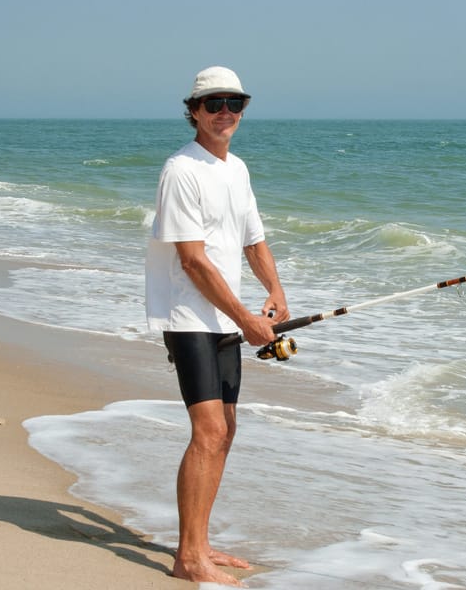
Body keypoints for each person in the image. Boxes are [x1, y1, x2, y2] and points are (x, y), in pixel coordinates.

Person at [145, 65, 289, 586]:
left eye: (235, 103)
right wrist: (245, 317)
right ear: (194, 111)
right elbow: (191, 260)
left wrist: (275, 291)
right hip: (189, 318)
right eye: (213, 103)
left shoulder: (237, 169)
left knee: (226, 429)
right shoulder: (181, 170)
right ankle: (187, 557)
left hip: (224, 317)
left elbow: (253, 239)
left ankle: (201, 543)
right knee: (208, 431)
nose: (225, 112)